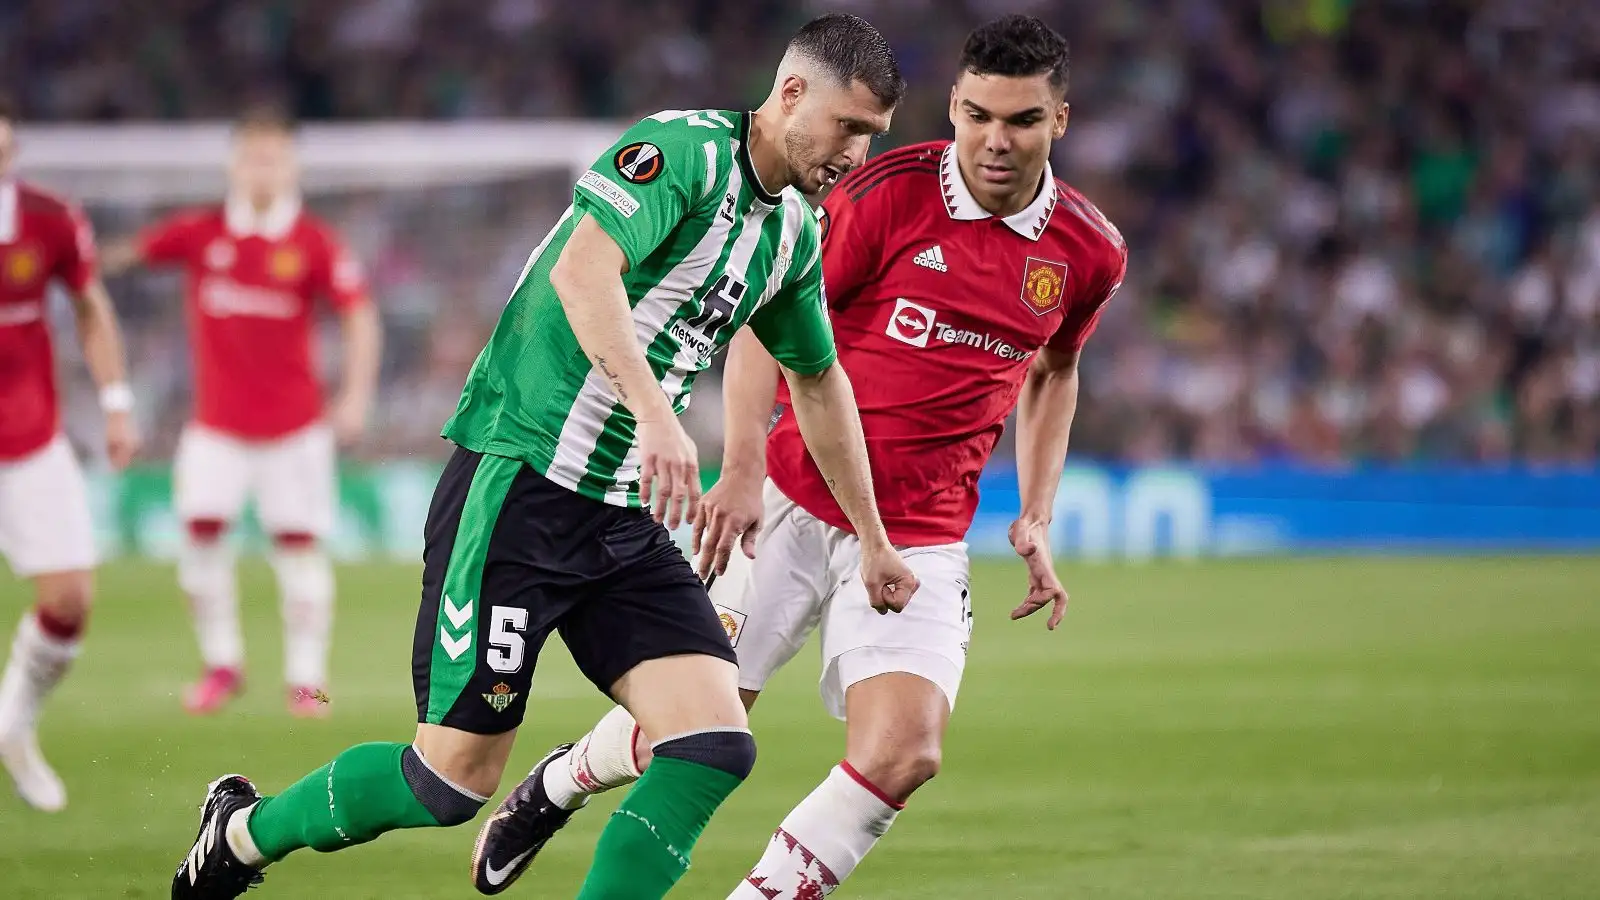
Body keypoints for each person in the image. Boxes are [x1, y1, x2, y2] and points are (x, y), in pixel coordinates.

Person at [171, 13, 918, 900]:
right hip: (516, 483)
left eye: (874, 136)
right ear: (791, 94)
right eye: (849, 128)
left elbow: (819, 380)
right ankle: (242, 833)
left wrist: (871, 534)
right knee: (448, 782)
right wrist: (655, 414)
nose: (858, 153)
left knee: (714, 744)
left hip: (616, 517)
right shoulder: (681, 151)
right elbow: (582, 272)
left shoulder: (795, 232)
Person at [491, 16, 1128, 899]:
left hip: (920, 536)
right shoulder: (884, 196)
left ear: (1060, 121)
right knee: (689, 734)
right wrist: (743, 463)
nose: (993, 139)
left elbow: (1057, 370)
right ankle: (561, 781)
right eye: (976, 114)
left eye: (1020, 120)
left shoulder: (1088, 252)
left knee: (905, 753)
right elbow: (766, 314)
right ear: (952, 106)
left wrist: (1037, 509)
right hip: (789, 500)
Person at [104, 107, 381, 718]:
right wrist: (75, 259)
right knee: (200, 539)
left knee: (300, 551)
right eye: (253, 155)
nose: (263, 168)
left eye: (275, 157)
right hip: (216, 430)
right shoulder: (202, 233)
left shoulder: (312, 241)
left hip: (294, 429)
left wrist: (355, 396)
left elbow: (359, 315)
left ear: (291, 166)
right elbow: (125, 255)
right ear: (234, 162)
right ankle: (222, 666)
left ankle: (308, 684)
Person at [0, 92, 142, 811]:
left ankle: (14, 727)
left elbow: (90, 308)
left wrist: (116, 404)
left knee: (70, 600)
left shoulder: (50, 220)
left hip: (27, 441)